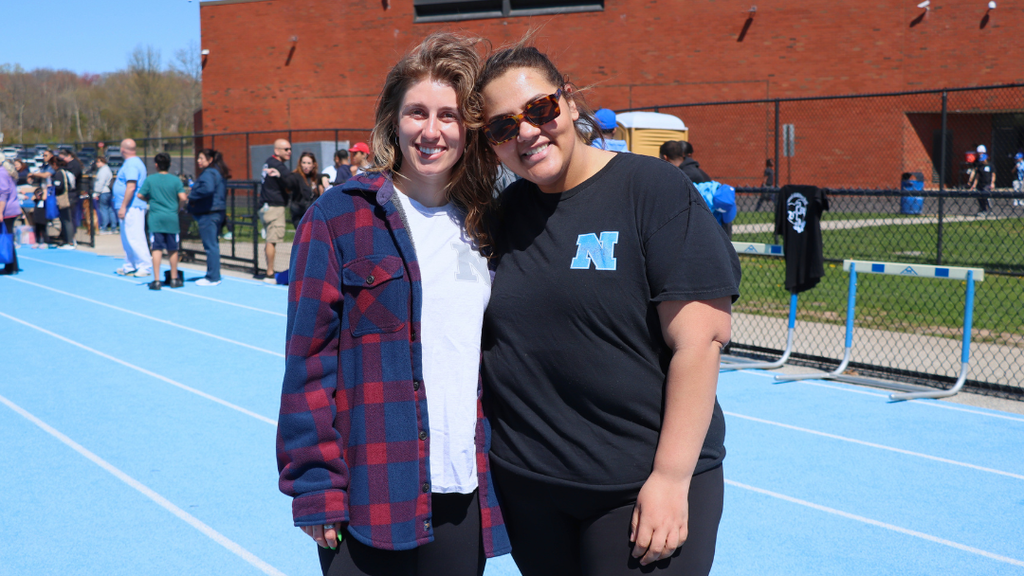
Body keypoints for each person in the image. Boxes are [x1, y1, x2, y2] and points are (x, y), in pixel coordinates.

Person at [477, 40, 740, 576]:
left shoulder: (653, 190)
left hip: (636, 488)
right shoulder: (503, 214)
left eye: (540, 109)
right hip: (531, 492)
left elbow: (701, 340)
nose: (527, 132)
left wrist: (670, 478)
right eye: (503, 127)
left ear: (569, 101)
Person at [276, 32, 510, 576]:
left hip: (464, 492)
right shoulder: (338, 217)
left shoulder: (488, 223)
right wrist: (315, 487)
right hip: (373, 493)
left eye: (449, 116)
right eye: (417, 113)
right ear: (393, 120)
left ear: (469, 128)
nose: (432, 131)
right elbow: (308, 362)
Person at [137, 153, 187, 290]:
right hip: (171, 217)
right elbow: (183, 197)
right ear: (170, 164)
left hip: (156, 218)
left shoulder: (150, 179)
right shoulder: (175, 180)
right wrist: (178, 207)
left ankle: (157, 280)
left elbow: (140, 195)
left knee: (156, 248)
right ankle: (174, 278)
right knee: (173, 248)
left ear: (156, 165)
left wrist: (150, 200)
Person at [188, 148, 231, 286]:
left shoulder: (209, 173)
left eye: (201, 158)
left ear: (210, 159)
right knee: (213, 245)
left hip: (209, 214)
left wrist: (191, 194)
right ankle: (213, 275)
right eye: (198, 158)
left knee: (210, 246)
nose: (198, 161)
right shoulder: (216, 172)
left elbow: (208, 188)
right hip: (215, 212)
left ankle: (213, 277)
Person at [113, 138, 152, 277]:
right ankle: (131, 265)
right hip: (128, 206)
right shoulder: (130, 163)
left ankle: (144, 266)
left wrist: (123, 206)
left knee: (135, 236)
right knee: (127, 238)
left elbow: (131, 186)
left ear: (122, 150)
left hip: (132, 206)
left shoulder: (132, 164)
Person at [259, 139, 291, 282]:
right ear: (276, 151)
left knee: (269, 240)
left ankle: (269, 270)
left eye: (290, 149)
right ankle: (270, 273)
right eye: (286, 149)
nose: (289, 152)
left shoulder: (269, 162)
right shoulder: (277, 165)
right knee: (272, 240)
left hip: (266, 206)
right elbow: (291, 180)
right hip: (274, 207)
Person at [265, 151, 324, 227]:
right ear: (300, 164)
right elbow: (288, 183)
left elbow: (321, 175)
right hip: (300, 215)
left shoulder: (315, 178)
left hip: (312, 215)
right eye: (304, 163)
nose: (306, 166)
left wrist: (325, 177)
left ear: (313, 165)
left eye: (309, 163)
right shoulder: (296, 176)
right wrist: (280, 176)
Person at [1, 160, 20, 274]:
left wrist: (0, 212)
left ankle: (11, 266)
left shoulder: (1, 172)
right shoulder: (6, 172)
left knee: (6, 238)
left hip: (6, 210)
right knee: (7, 237)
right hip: (10, 209)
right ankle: (11, 266)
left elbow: (3, 194)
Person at [93, 156, 117, 234]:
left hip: (103, 192)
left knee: (104, 209)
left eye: (98, 162)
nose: (96, 164)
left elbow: (101, 182)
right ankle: (113, 227)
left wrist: (96, 192)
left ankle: (104, 227)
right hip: (107, 192)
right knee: (109, 209)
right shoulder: (106, 169)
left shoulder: (103, 171)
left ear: (102, 162)